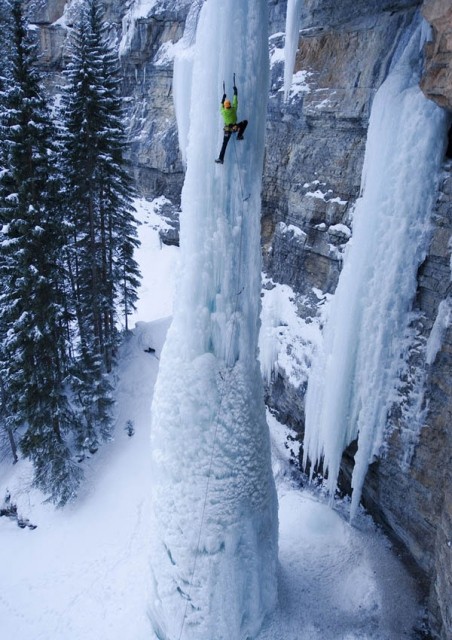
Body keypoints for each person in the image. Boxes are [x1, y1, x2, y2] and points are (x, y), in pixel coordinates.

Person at [215, 82, 248, 164]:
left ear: (225, 107)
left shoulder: (223, 112)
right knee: (245, 122)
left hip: (227, 130)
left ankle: (221, 158)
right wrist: (235, 92)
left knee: (224, 144)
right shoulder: (233, 109)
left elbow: (221, 106)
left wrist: (223, 98)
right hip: (235, 128)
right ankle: (239, 136)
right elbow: (235, 101)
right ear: (230, 105)